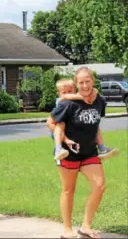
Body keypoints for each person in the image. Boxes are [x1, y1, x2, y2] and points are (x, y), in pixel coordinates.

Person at [49, 67, 114, 239]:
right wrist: (64, 141)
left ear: (93, 81)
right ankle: (67, 229)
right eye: (81, 82)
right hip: (68, 153)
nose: (85, 85)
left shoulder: (100, 101)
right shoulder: (68, 103)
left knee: (99, 186)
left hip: (89, 152)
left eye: (87, 81)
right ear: (76, 84)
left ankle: (86, 226)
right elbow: (51, 122)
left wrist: (101, 145)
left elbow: (95, 124)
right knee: (69, 190)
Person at [47, 78, 119, 161]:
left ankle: (102, 148)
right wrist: (82, 97)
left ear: (74, 89)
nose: (67, 93)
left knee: (94, 125)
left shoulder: (74, 100)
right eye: (64, 92)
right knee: (61, 124)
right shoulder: (61, 100)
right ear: (59, 93)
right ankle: (58, 149)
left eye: (70, 91)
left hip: (72, 132)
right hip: (58, 133)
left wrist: (94, 91)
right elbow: (66, 97)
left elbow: (94, 90)